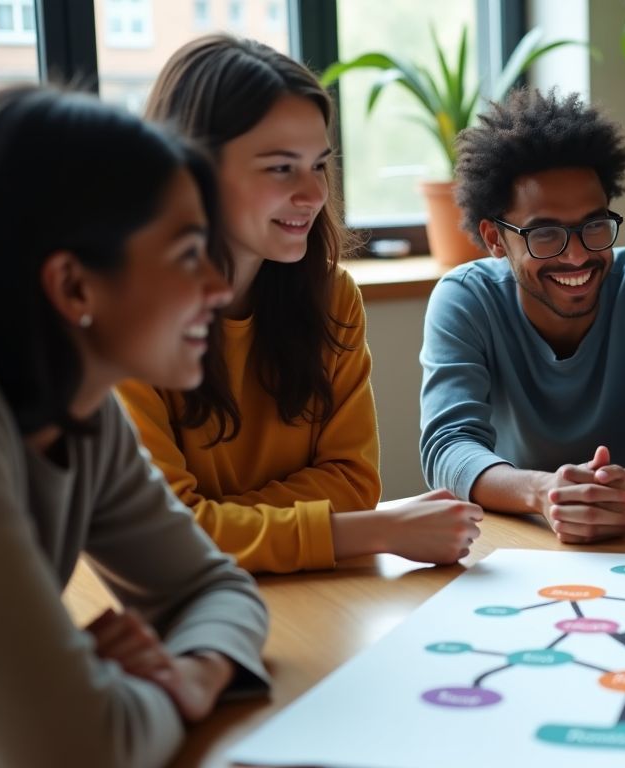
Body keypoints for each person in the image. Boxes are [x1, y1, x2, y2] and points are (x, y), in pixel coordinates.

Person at [0, 86, 269, 767]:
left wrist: (194, 672)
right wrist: (110, 692)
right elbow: (83, 749)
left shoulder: (87, 417)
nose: (220, 285)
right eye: (189, 254)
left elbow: (214, 586)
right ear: (74, 286)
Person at [118, 35, 482, 573]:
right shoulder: (122, 321)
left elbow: (353, 481)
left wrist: (213, 523)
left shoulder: (333, 297)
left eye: (318, 165)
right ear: (193, 173)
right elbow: (158, 539)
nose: (313, 195)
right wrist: (377, 529)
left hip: (294, 591)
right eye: (281, 168)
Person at [420, 88, 625, 544]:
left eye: (594, 225)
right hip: (523, 537)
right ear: (496, 239)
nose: (577, 255)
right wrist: (543, 492)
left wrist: (621, 491)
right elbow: (448, 445)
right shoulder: (465, 300)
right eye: (544, 234)